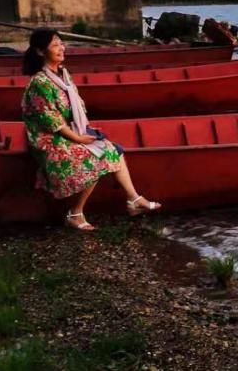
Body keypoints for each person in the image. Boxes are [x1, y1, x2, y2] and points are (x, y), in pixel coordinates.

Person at [21, 28, 161, 230]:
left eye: (61, 43)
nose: (61, 48)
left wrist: (84, 132)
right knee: (96, 157)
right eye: (55, 45)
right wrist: (78, 139)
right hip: (48, 139)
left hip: (68, 132)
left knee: (113, 149)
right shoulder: (40, 83)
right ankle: (75, 214)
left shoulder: (63, 75)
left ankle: (133, 200)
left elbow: (75, 108)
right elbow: (52, 121)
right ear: (41, 52)